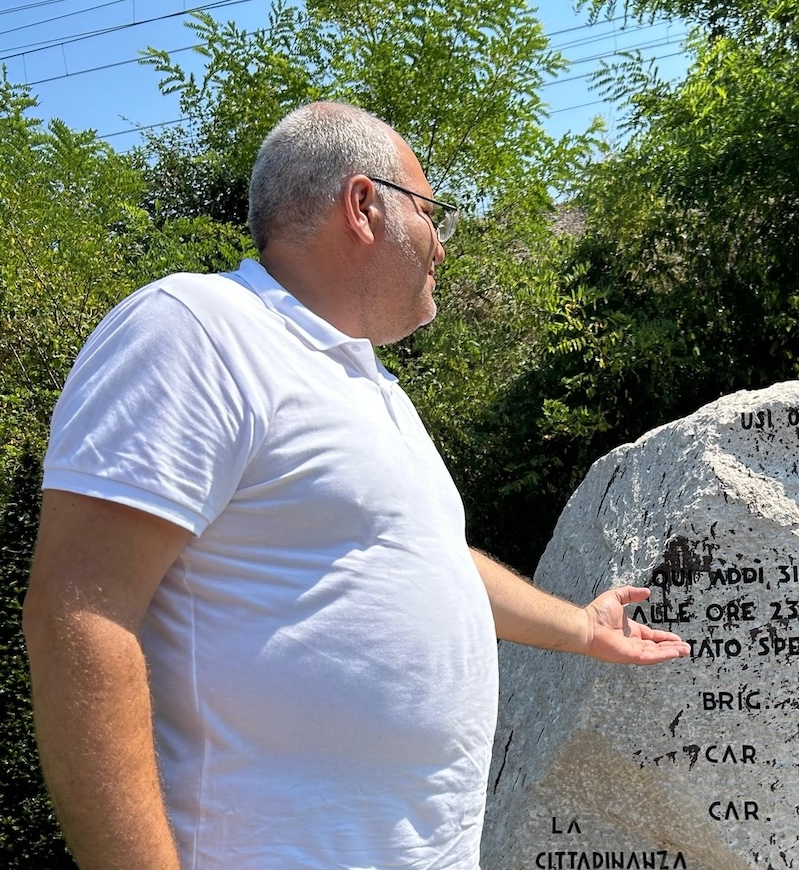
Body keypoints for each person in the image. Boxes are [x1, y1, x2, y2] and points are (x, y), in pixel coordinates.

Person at [21, 101, 689, 870]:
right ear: (364, 204)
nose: (442, 245)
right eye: (433, 213)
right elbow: (80, 612)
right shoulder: (198, 328)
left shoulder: (369, 385)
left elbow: (423, 558)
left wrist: (582, 628)